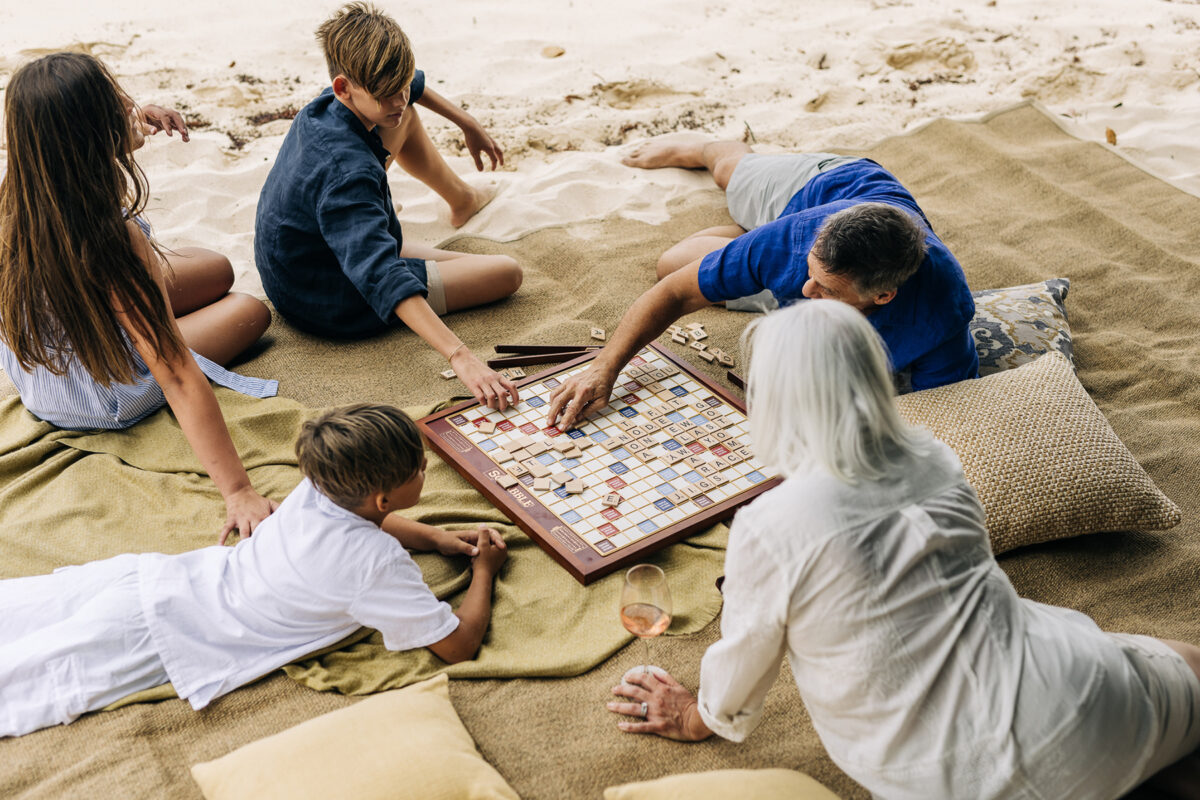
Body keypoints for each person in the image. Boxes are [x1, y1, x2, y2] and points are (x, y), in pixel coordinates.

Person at [604, 300, 1200, 799]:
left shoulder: (769, 524)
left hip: (947, 777)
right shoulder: (935, 457)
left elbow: (743, 661)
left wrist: (694, 715)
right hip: (1089, 707)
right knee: (1179, 659)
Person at [0, 403, 508, 738]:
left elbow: (375, 519)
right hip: (168, 636)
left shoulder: (317, 486)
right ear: (382, 495)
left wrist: (437, 537)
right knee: (27, 685)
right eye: (419, 470)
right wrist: (484, 570)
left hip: (158, 581)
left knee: (19, 611)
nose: (426, 471)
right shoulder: (375, 564)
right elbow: (456, 645)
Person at [0, 52, 278, 542]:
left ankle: (142, 305)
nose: (132, 107)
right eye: (119, 104)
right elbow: (173, 369)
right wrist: (238, 491)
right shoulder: (110, 237)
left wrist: (130, 116)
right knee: (249, 310)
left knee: (216, 266)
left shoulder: (24, 189)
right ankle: (144, 315)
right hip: (103, 392)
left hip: (44, 374)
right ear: (97, 131)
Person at [547, 137, 977, 430]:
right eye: (809, 275)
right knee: (718, 187)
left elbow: (932, 424)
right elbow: (675, 292)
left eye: (826, 290)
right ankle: (706, 149)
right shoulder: (796, 242)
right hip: (814, 187)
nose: (808, 292)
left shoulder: (942, 318)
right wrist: (604, 367)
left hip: (823, 228)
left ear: (883, 296)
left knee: (688, 259)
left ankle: (741, 239)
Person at [255, 2, 522, 410]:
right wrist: (461, 356)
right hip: (326, 294)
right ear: (343, 87)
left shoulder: (329, 105)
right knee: (506, 272)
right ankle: (452, 231)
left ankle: (462, 200)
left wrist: (467, 122)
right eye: (385, 94)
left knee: (403, 118)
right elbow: (379, 273)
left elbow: (408, 88)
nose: (398, 97)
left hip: (311, 255)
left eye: (401, 85)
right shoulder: (348, 172)